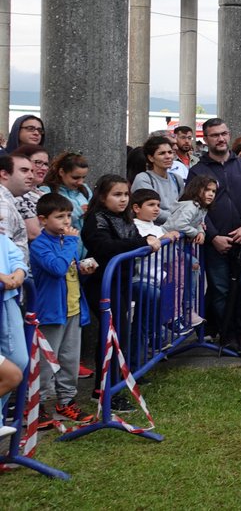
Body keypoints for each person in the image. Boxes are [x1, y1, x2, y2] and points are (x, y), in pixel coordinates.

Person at [81, 175, 161, 412]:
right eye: (117, 194)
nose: (123, 199)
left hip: (121, 283)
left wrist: (145, 241)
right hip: (103, 284)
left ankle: (108, 387)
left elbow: (136, 241)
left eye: (126, 194)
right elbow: (104, 247)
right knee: (112, 337)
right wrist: (142, 243)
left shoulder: (124, 219)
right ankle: (106, 391)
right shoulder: (96, 219)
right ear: (102, 196)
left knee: (117, 336)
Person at [191, 118, 241, 357]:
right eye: (215, 135)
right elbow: (194, 206)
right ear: (206, 139)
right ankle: (228, 333)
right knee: (220, 289)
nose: (220, 139)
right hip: (216, 244)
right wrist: (213, 237)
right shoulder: (198, 171)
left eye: (224, 134)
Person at [29, 192, 96, 427]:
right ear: (43, 219)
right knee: (47, 362)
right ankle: (38, 405)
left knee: (69, 359)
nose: (67, 221)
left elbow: (69, 269)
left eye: (68, 215)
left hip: (73, 308)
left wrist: (83, 269)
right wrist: (69, 242)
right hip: (51, 312)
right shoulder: (39, 245)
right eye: (59, 217)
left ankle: (66, 401)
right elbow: (57, 268)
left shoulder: (66, 241)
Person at [0, 226, 28, 422]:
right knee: (9, 373)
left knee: (18, 361)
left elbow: (16, 256)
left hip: (6, 302)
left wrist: (19, 272)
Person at [131, 135, 186, 222]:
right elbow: (149, 209)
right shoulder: (143, 179)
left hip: (178, 227)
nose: (168, 156)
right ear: (151, 158)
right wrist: (180, 219)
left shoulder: (176, 179)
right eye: (162, 153)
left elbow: (185, 205)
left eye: (170, 152)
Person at [41, 152, 91, 233]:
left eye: (83, 177)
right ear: (61, 172)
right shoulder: (48, 191)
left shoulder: (85, 189)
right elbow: (48, 219)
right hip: (61, 242)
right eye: (75, 178)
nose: (80, 182)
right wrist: (79, 211)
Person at [0, 153, 34, 259]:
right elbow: (3, 253)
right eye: (24, 170)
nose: (31, 176)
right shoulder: (3, 203)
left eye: (31, 171)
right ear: (4, 174)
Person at [13, 145, 50, 241]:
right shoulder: (16, 194)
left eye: (46, 164)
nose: (44, 168)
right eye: (38, 162)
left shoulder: (44, 193)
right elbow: (33, 233)